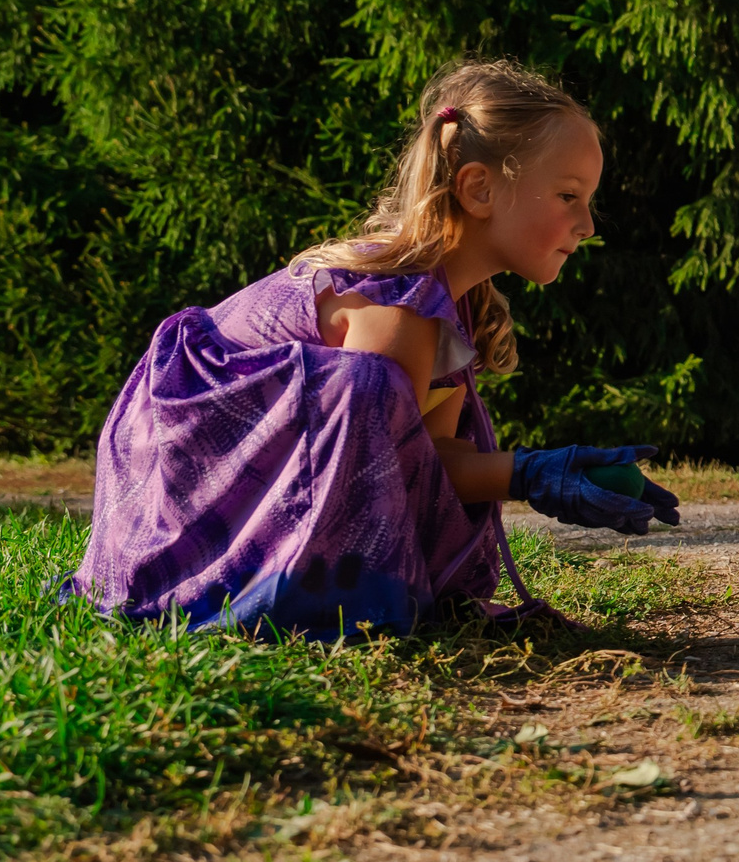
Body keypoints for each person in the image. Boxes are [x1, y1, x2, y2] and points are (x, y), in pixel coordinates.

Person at [69, 61, 674, 636]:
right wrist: (536, 476)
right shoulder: (396, 313)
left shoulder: (438, 303)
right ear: (478, 188)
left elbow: (420, 460)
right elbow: (385, 466)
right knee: (369, 386)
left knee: (375, 394)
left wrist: (541, 473)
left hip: (185, 502)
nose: (589, 224)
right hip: (173, 521)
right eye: (569, 195)